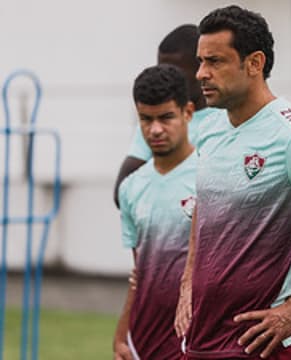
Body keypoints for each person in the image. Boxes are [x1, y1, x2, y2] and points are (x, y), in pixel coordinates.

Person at [175, 6, 291, 359]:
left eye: (214, 61)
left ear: (254, 63)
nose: (200, 74)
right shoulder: (210, 126)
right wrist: (187, 281)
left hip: (264, 345)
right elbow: (204, 206)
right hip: (201, 340)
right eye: (200, 61)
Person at [113, 64, 196, 359]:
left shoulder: (211, 179)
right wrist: (123, 335)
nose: (155, 129)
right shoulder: (131, 188)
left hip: (196, 339)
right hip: (143, 341)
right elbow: (140, 273)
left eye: (166, 117)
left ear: (188, 112)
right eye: (145, 119)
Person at [113, 24, 219, 207]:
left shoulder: (226, 117)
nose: (166, 79)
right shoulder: (155, 120)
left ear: (200, 69)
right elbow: (123, 192)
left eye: (176, 73)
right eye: (161, 70)